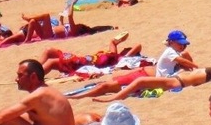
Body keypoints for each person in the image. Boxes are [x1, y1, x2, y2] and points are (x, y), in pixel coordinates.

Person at [68, 30, 196, 100]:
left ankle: (80, 95)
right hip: (143, 75)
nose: (183, 46)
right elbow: (185, 63)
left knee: (109, 84)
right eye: (181, 43)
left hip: (145, 76)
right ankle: (78, 96)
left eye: (184, 44)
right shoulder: (171, 52)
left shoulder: (177, 53)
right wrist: (197, 67)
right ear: (172, 43)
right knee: (107, 85)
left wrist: (190, 63)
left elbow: (186, 63)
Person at [0, 59, 76, 125]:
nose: (16, 79)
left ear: (33, 77)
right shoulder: (48, 91)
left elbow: (1, 117)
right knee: (16, 116)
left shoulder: (38, 95)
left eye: (20, 75)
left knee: (8, 120)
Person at [93, 62, 211, 102]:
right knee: (136, 79)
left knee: (140, 81)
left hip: (177, 82)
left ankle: (115, 97)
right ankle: (116, 93)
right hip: (177, 79)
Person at [0, 1, 116, 47]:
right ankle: (27, 40)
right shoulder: (71, 28)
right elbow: (64, 22)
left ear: (80, 29)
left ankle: (28, 18)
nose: (77, 24)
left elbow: (70, 16)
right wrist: (61, 17)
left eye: (79, 25)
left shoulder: (74, 30)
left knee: (45, 16)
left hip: (50, 35)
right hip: (47, 33)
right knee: (32, 23)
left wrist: (72, 4)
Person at [38, 32, 140, 75]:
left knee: (52, 62)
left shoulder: (121, 60)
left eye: (127, 49)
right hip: (80, 59)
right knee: (49, 50)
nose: (125, 49)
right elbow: (113, 42)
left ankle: (33, 76)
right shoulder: (113, 55)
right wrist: (122, 38)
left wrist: (128, 53)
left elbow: (138, 46)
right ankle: (32, 68)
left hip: (81, 64)